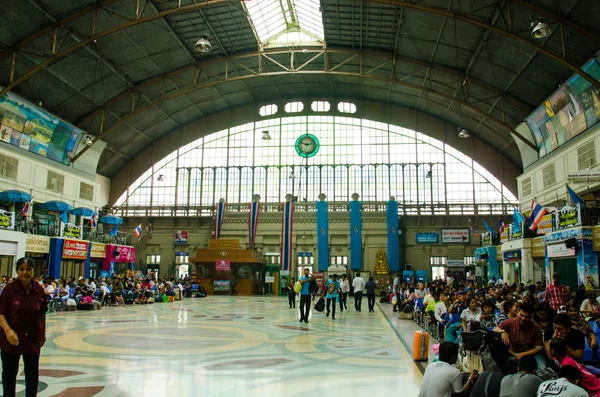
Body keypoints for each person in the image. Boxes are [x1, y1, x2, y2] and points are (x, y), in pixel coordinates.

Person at [0, 257, 48, 397]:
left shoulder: (38, 289)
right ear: (17, 271)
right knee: (9, 374)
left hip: (33, 337)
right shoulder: (9, 289)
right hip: (11, 338)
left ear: (33, 270)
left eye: (28, 269)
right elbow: (1, 313)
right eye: (22, 269)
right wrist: (8, 331)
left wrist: (43, 333)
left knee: (32, 375)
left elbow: (42, 314)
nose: (25, 272)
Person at [493, 302, 545, 369]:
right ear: (517, 313)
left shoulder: (535, 328)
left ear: (531, 317)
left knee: (543, 368)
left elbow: (538, 348)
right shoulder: (510, 322)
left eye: (526, 317)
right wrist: (503, 332)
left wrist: (522, 355)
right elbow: (495, 328)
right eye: (521, 315)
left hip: (530, 354)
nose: (523, 318)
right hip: (513, 354)